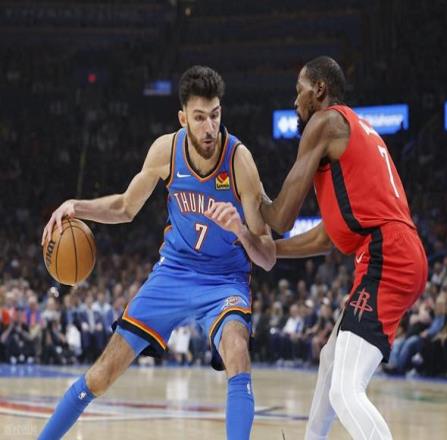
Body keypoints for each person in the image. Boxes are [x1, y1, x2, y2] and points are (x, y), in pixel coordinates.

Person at [38, 65, 275, 440]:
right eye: (199, 117)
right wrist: (76, 206)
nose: (209, 127)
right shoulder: (166, 150)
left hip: (224, 280)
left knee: (237, 352)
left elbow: (268, 257)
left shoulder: (240, 162)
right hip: (173, 273)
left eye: (215, 115)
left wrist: (241, 231)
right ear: (183, 118)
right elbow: (125, 208)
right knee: (101, 374)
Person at [260, 56, 428, 440]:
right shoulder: (355, 130)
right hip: (397, 250)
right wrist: (273, 251)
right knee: (331, 360)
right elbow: (327, 237)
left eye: (300, 90)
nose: (295, 101)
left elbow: (281, 216)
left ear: (319, 89)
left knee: (345, 390)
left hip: (387, 254)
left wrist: (250, 197)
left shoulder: (324, 122)